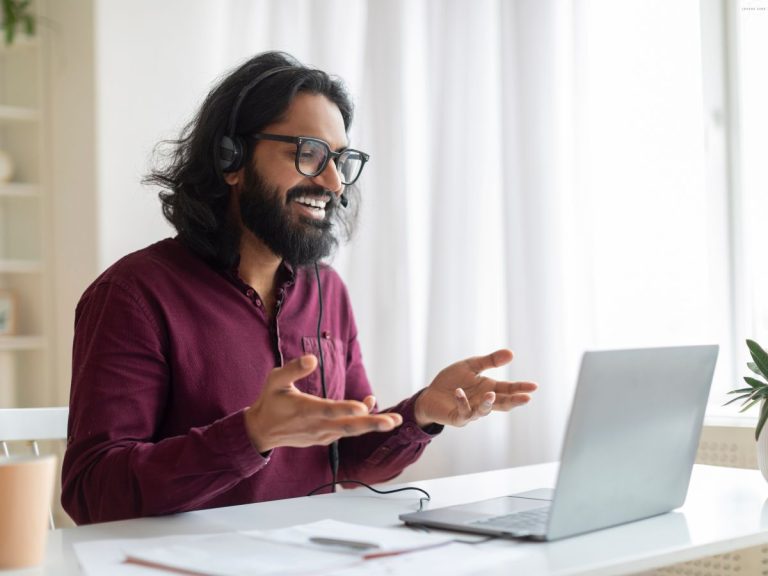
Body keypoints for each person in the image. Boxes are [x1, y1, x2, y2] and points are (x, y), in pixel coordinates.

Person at [61, 51, 537, 525]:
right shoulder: (134, 295)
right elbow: (91, 492)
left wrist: (424, 413)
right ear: (231, 159)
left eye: (340, 160)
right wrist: (249, 434)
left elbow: (345, 462)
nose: (333, 182)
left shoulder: (327, 292)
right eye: (308, 154)